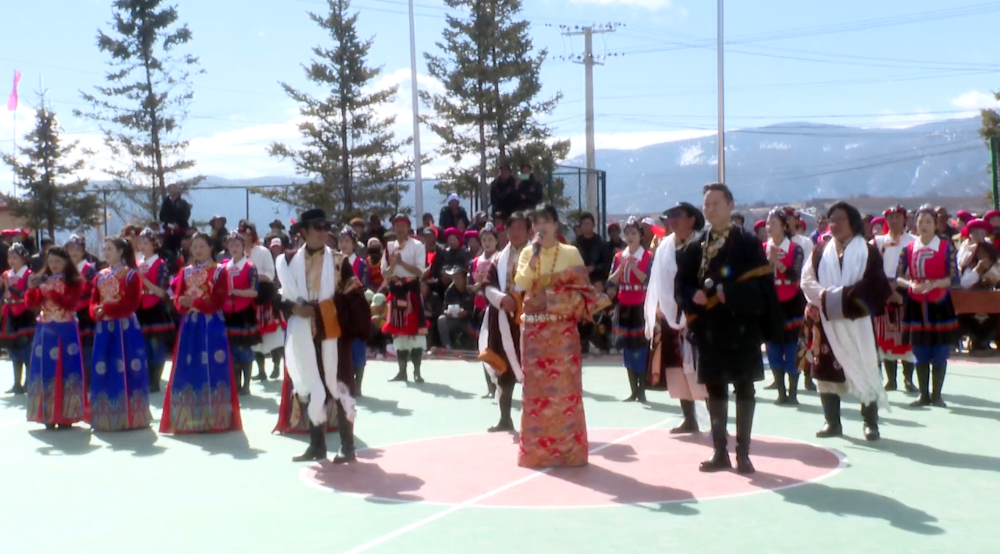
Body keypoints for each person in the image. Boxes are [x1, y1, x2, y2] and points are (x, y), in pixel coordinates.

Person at [676, 183, 783, 475]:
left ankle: (743, 453)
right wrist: (692, 295)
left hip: (741, 328)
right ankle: (719, 451)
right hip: (708, 329)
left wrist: (731, 294)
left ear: (730, 205)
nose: (710, 209)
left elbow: (763, 286)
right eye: (707, 204)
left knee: (744, 387)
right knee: (714, 388)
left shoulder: (747, 242)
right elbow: (682, 284)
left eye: (716, 203)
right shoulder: (695, 245)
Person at [275, 208, 368, 464]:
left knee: (339, 384)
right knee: (307, 383)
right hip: (301, 329)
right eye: (317, 227)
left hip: (331, 329)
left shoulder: (339, 261)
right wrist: (294, 308)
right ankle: (317, 445)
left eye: (326, 227)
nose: (323, 232)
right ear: (304, 231)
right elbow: (277, 294)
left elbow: (355, 294)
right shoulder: (287, 261)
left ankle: (347, 446)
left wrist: (325, 308)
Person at [514, 204, 597, 468]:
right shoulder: (527, 252)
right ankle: (536, 453)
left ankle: (570, 452)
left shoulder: (571, 253)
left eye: (545, 221)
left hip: (562, 333)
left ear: (555, 224)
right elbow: (520, 285)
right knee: (535, 394)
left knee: (565, 392)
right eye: (536, 223)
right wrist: (533, 257)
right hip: (534, 334)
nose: (541, 227)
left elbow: (585, 294)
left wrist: (550, 298)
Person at [801, 202, 892, 440]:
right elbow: (807, 281)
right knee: (825, 371)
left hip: (857, 321)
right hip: (827, 322)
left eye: (840, 219)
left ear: (852, 222)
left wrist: (842, 300)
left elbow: (876, 286)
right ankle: (832, 422)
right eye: (832, 219)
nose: (835, 224)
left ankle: (870, 423)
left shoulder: (868, 252)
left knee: (865, 367)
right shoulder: (820, 251)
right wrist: (826, 298)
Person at [160, 233, 242, 434]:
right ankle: (188, 416)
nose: (197, 250)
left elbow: (218, 300)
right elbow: (177, 298)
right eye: (194, 246)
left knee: (212, 367)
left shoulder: (219, 271)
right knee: (188, 366)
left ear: (211, 247)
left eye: (202, 246)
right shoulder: (185, 271)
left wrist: (194, 302)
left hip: (211, 325)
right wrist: (182, 304)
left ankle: (215, 417)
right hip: (189, 324)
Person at [644, 203, 709, 433]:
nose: (672, 220)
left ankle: (716, 420)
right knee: (676, 368)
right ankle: (689, 417)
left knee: (703, 368)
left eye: (678, 215)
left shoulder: (702, 245)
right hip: (670, 314)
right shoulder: (664, 247)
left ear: (692, 219)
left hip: (697, 313)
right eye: (670, 216)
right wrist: (658, 304)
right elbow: (656, 280)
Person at [896, 205, 960, 408]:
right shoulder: (908, 249)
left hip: (939, 304)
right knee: (919, 349)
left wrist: (933, 284)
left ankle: (937, 395)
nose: (923, 226)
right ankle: (923, 395)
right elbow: (898, 277)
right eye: (920, 222)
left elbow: (953, 276)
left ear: (935, 224)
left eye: (928, 222)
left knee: (940, 349)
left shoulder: (945, 247)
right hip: (916, 304)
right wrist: (911, 284)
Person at [88, 237, 152, 432]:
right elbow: (93, 301)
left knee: (129, 367)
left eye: (110, 249)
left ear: (121, 251)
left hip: (125, 329)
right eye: (105, 249)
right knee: (104, 367)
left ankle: (133, 415)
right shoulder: (100, 275)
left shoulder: (131, 275)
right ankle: (105, 414)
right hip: (104, 328)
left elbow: (132, 304)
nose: (106, 252)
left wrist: (106, 308)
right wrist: (95, 310)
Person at [24, 247, 86, 430]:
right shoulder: (43, 280)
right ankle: (47, 414)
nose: (54, 265)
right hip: (45, 329)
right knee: (46, 369)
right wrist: (31, 289)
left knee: (67, 368)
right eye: (51, 261)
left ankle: (67, 415)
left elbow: (71, 303)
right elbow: (32, 304)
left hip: (66, 329)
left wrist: (50, 292)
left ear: (66, 262)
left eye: (57, 261)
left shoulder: (74, 281)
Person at [479, 212, 530, 432]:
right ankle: (505, 418)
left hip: (529, 320)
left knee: (531, 369)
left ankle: (534, 421)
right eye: (511, 228)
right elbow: (487, 285)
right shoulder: (498, 259)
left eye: (520, 228)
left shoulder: (536, 257)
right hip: (501, 320)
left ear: (528, 231)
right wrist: (502, 299)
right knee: (503, 369)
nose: (515, 232)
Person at [763, 208, 806, 406]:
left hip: (791, 302)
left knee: (792, 346)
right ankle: (781, 391)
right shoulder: (763, 248)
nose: (768, 227)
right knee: (773, 347)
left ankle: (793, 392)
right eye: (767, 223)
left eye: (773, 223)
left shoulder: (796, 249)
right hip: (771, 303)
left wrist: (777, 262)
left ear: (784, 226)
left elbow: (795, 275)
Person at [872, 205, 917, 391]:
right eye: (890, 217)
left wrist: (899, 286)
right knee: (885, 335)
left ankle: (909, 379)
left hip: (906, 291)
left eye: (898, 217)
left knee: (907, 337)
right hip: (883, 291)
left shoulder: (914, 241)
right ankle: (891, 379)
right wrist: (886, 288)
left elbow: (915, 267)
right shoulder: (877, 242)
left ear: (904, 219)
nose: (894, 221)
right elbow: (871, 267)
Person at [607, 216, 652, 403]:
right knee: (626, 347)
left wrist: (634, 268)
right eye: (627, 234)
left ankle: (642, 390)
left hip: (640, 304)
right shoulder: (619, 257)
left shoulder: (647, 256)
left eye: (634, 233)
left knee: (640, 346)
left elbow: (648, 280)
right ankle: (633, 389)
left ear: (640, 235)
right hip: (623, 303)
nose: (630, 237)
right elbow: (611, 281)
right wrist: (622, 268)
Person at [382, 214, 428, 382]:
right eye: (397, 225)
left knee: (416, 332)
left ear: (408, 227)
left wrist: (401, 264)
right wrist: (393, 266)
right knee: (398, 332)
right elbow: (384, 273)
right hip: (396, 292)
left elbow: (420, 272)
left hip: (411, 292)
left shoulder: (417, 245)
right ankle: (402, 371)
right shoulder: (389, 247)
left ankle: (417, 371)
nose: (400, 228)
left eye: (403, 225)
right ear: (393, 228)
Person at [135, 228, 175, 393]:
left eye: (146, 243)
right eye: (141, 243)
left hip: (155, 307)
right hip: (140, 308)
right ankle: (147, 378)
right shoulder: (137, 263)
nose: (142, 246)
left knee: (156, 345)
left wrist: (143, 280)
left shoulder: (160, 264)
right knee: (143, 345)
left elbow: (161, 291)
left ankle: (156, 380)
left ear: (154, 244)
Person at [222, 233, 262, 397]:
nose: (234, 248)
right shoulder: (224, 267)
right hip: (228, 313)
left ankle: (246, 385)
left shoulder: (250, 267)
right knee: (232, 350)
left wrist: (235, 292)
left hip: (244, 312)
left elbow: (254, 292)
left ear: (243, 247)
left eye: (237, 245)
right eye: (231, 245)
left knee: (244, 349)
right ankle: (236, 384)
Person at [339, 225, 370, 396]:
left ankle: (358, 383)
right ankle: (345, 382)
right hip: (340, 309)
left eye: (347, 241)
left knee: (357, 345)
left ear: (354, 244)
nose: (343, 244)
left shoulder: (361, 264)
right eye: (341, 241)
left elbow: (364, 285)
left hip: (356, 309)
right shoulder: (334, 262)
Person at [1, 243, 35, 395]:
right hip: (9, 313)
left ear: (23, 258)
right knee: (13, 350)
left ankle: (28, 382)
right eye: (10, 257)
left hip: (24, 314)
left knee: (26, 349)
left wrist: (11, 288)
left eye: (15, 257)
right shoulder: (6, 275)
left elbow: (28, 295)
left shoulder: (28, 274)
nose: (11, 260)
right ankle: (17, 383)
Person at [66, 235, 97, 392]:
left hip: (85, 313)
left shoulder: (89, 269)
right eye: (70, 249)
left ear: (83, 251)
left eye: (77, 249)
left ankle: (89, 380)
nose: (74, 252)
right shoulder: (66, 270)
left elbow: (95, 289)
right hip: (69, 312)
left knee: (86, 348)